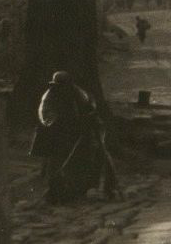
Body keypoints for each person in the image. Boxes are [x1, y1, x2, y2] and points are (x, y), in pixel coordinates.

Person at [30, 71, 121, 203]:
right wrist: (55, 123)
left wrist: (88, 119)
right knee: (56, 162)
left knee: (97, 154)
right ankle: (56, 192)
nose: (62, 88)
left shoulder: (79, 93)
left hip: (79, 132)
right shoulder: (49, 96)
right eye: (59, 86)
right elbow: (45, 114)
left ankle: (102, 188)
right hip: (57, 135)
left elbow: (90, 109)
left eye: (64, 85)